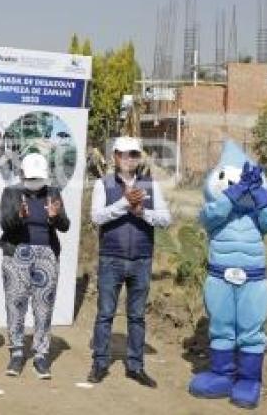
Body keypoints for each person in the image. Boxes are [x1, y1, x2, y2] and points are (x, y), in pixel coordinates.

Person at [188, 141, 267, 409]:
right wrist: (233, 193)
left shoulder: (257, 216)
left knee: (251, 331)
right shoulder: (214, 212)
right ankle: (222, 375)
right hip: (219, 278)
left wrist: (260, 195)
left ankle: (249, 380)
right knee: (221, 327)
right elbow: (211, 216)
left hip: (252, 282)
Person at [87, 136, 171, 387]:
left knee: (137, 316)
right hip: (111, 258)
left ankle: (135, 366)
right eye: (123, 154)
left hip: (141, 260)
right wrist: (125, 204)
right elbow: (97, 217)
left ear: (139, 157)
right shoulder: (103, 184)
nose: (128, 159)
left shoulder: (151, 185)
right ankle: (100, 363)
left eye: (133, 154)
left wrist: (142, 212)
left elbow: (166, 219)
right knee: (105, 315)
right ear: (114, 157)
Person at [0, 152, 69, 379]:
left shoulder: (53, 193)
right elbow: (5, 224)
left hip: (46, 255)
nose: (35, 183)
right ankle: (17, 353)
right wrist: (19, 216)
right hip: (17, 254)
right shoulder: (11, 192)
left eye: (39, 178)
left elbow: (65, 225)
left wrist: (56, 217)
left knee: (43, 306)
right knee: (15, 304)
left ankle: (41, 355)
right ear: (21, 175)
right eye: (31, 178)